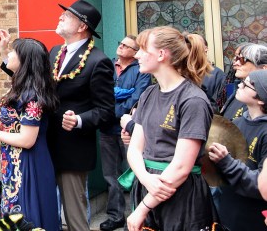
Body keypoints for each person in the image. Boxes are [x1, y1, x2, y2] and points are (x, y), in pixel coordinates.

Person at [125, 27, 214, 231]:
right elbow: (135, 149)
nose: (136, 54)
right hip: (148, 185)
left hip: (179, 194)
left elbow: (181, 168)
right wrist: (147, 179)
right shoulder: (148, 93)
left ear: (161, 54)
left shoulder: (193, 100)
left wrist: (143, 207)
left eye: (142, 48)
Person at [0, 32, 60, 230]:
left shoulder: (33, 97)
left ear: (25, 61)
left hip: (30, 164)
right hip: (14, 162)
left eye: (13, 51)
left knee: (27, 215)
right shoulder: (23, 88)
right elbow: (15, 125)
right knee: (14, 213)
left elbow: (27, 139)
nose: (9, 55)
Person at [45, 0, 115, 231]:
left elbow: (105, 111)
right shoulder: (55, 52)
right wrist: (7, 56)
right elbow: (35, 81)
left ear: (82, 26)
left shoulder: (98, 61)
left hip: (73, 150)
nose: (60, 17)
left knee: (74, 217)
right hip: (46, 144)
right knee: (45, 211)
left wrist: (79, 120)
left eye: (67, 15)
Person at [99, 34, 151, 231]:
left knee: (136, 172)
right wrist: (119, 96)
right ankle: (116, 215)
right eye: (120, 43)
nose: (120, 47)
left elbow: (138, 97)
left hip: (130, 130)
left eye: (126, 46)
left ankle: (140, 214)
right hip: (107, 128)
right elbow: (100, 93)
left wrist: (112, 110)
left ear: (135, 52)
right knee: (111, 175)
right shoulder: (107, 66)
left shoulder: (141, 70)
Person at [209, 69, 267, 229]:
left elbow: (262, 185)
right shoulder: (238, 121)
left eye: (246, 84)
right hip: (227, 211)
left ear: (261, 99)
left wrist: (226, 162)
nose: (239, 85)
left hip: (253, 219)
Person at [221, 43, 267, 121]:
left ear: (264, 68)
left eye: (242, 60)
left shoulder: (261, 95)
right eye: (236, 59)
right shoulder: (239, 88)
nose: (235, 64)